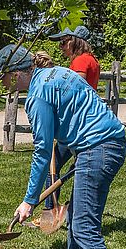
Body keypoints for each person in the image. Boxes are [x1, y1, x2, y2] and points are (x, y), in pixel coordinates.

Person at [0, 44, 126, 249]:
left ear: (17, 73)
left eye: (3, 76)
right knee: (76, 220)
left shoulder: (37, 96)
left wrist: (29, 200)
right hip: (103, 144)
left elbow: (41, 151)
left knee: (85, 226)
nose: (2, 83)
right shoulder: (57, 73)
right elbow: (68, 122)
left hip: (98, 148)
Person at [37, 25, 101, 217]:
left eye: (63, 42)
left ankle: (51, 210)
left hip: (75, 122)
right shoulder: (91, 60)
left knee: (54, 163)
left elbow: (73, 90)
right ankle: (70, 207)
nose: (61, 47)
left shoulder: (81, 61)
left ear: (74, 41)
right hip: (84, 121)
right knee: (77, 167)